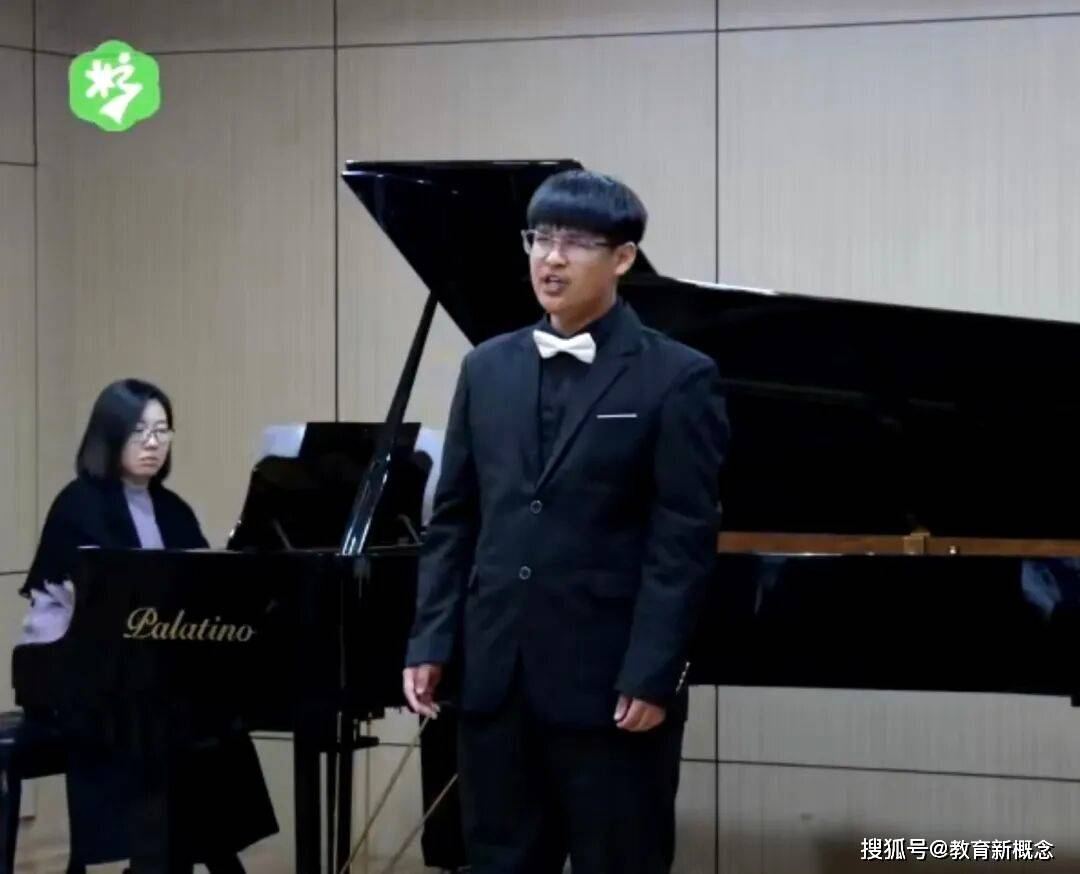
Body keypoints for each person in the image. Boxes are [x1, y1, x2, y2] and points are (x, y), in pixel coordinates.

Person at [403, 170, 728, 873]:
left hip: (611, 685)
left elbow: (682, 541)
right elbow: (453, 519)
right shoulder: (486, 368)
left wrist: (652, 673)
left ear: (623, 257)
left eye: (575, 243)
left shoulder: (678, 376)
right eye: (540, 238)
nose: (551, 258)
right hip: (497, 679)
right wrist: (430, 640)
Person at [17, 378, 278, 873]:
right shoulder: (79, 504)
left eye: (162, 431)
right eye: (139, 431)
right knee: (164, 721)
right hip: (77, 671)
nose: (153, 443)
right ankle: (164, 860)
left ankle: (192, 856)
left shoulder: (173, 508)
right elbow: (75, 610)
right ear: (109, 435)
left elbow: (200, 594)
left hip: (147, 671)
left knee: (212, 717)